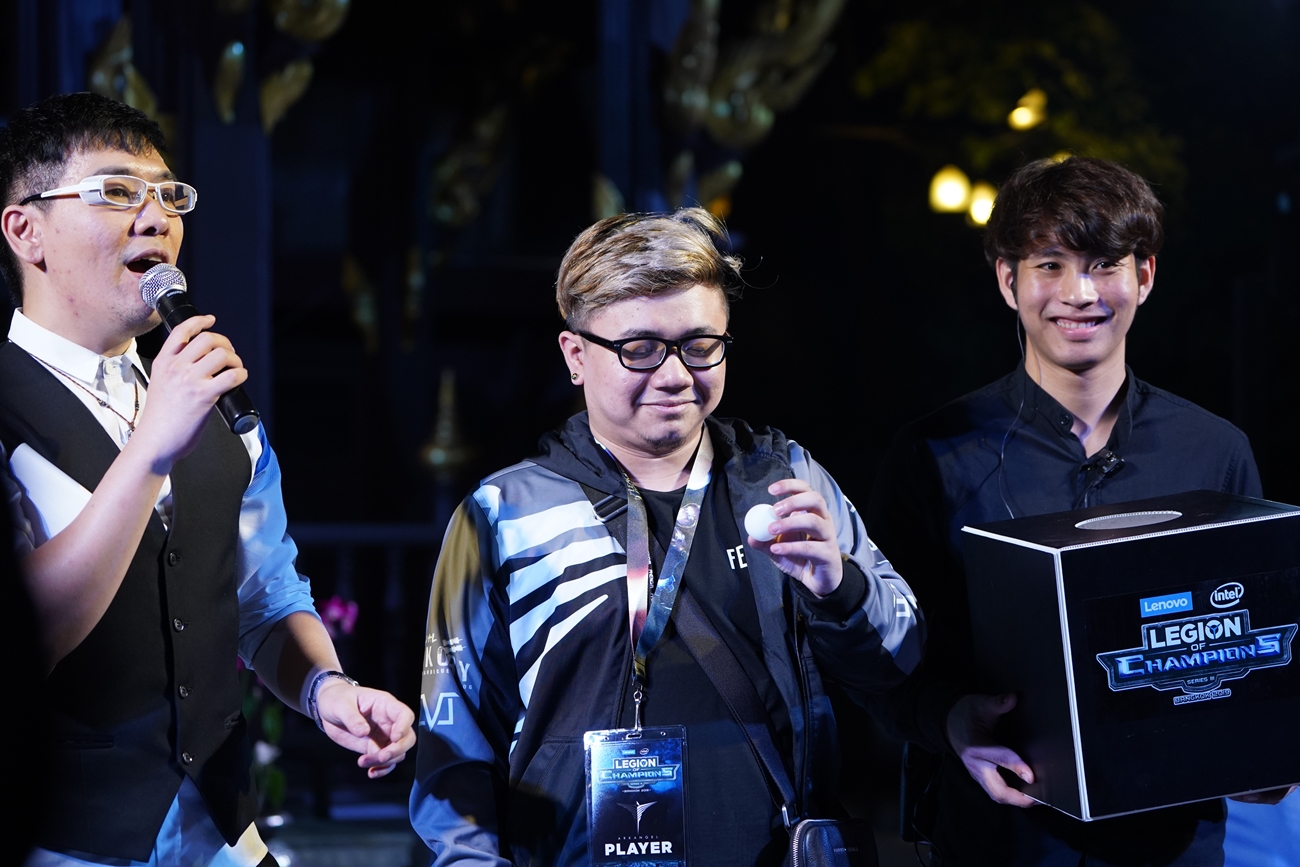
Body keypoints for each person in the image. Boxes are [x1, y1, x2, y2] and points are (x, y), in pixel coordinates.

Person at [409, 207, 924, 865]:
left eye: (700, 345)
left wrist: (841, 588)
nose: (676, 374)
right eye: (640, 349)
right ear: (575, 355)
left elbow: (901, 659)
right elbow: (452, 741)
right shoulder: (503, 514)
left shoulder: (785, 482)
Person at [0, 92, 415, 867]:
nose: (154, 216)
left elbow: (265, 599)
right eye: (116, 191)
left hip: (223, 837)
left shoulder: (212, 403)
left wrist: (327, 689)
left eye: (169, 195)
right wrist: (150, 449)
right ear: (27, 230)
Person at [866, 155, 1291, 866]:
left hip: (1173, 849)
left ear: (1144, 276)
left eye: (1103, 265)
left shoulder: (1215, 451)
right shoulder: (935, 457)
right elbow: (879, 658)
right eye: (1051, 265)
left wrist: (1263, 739)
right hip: (1001, 844)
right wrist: (949, 719)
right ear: (1008, 280)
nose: (1079, 293)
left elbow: (1253, 639)